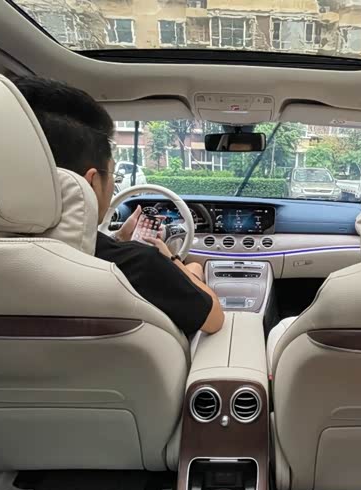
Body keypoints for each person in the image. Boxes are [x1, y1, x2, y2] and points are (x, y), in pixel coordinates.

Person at [13, 76, 224, 335]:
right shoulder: (141, 265)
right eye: (113, 174)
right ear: (91, 183)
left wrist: (116, 240)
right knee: (195, 268)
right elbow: (214, 318)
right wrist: (171, 259)